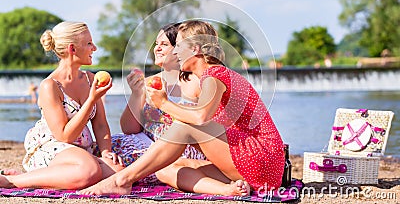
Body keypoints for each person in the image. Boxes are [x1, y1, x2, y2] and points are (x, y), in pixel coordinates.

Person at [80, 20, 285, 196]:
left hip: (260, 160)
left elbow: (200, 117)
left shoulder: (216, 75)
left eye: (178, 46)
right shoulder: (211, 76)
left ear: (195, 49)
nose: (175, 52)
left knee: (183, 127)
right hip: (256, 170)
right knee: (167, 170)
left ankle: (120, 181)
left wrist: (164, 103)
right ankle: (227, 190)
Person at [0, 21, 124, 189]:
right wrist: (91, 100)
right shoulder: (49, 86)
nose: (94, 48)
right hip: (53, 147)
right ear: (72, 49)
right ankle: (12, 181)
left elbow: (100, 123)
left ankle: (49, 177)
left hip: (80, 152)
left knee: (118, 170)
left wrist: (106, 152)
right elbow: (64, 136)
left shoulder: (90, 79)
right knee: (90, 171)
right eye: (89, 43)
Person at [112, 23, 205, 170]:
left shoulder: (196, 82)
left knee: (121, 162)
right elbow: (129, 129)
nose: (157, 48)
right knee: (108, 148)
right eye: (156, 44)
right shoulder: (149, 82)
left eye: (164, 44)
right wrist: (137, 94)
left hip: (180, 149)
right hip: (147, 143)